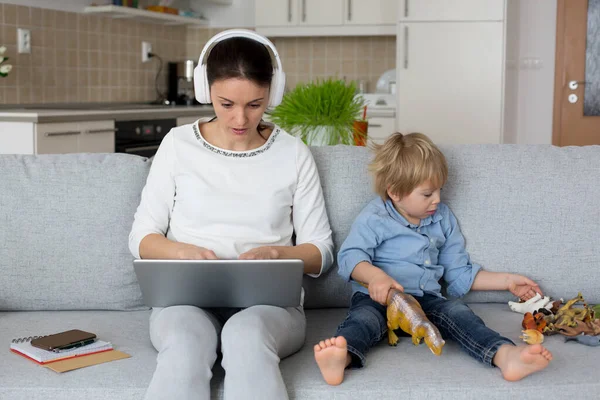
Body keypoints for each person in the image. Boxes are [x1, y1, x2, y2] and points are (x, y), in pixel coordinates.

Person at [129, 29, 334, 400]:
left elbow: (320, 251)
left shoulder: (294, 153)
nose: (240, 119)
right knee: (185, 343)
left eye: (255, 104)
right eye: (226, 104)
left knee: (246, 335)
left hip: (269, 309)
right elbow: (142, 238)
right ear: (206, 92)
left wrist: (279, 255)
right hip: (184, 303)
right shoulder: (177, 145)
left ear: (274, 92)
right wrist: (180, 252)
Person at [314, 132, 552, 385]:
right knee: (364, 321)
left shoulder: (443, 218)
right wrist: (375, 277)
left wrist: (507, 281)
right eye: (427, 194)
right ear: (395, 192)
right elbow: (350, 255)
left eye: (439, 190)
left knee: (460, 313)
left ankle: (505, 356)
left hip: (427, 301)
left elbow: (460, 272)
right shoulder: (375, 217)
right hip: (379, 300)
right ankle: (342, 358)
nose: (437, 199)